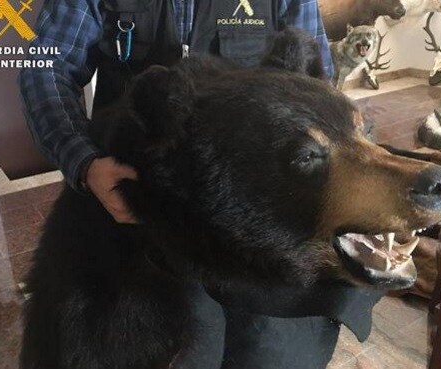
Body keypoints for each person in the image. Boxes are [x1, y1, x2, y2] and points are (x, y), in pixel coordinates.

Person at [20, 0, 334, 224]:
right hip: (130, 196)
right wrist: (85, 161)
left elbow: (313, 85)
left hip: (243, 205)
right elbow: (47, 68)